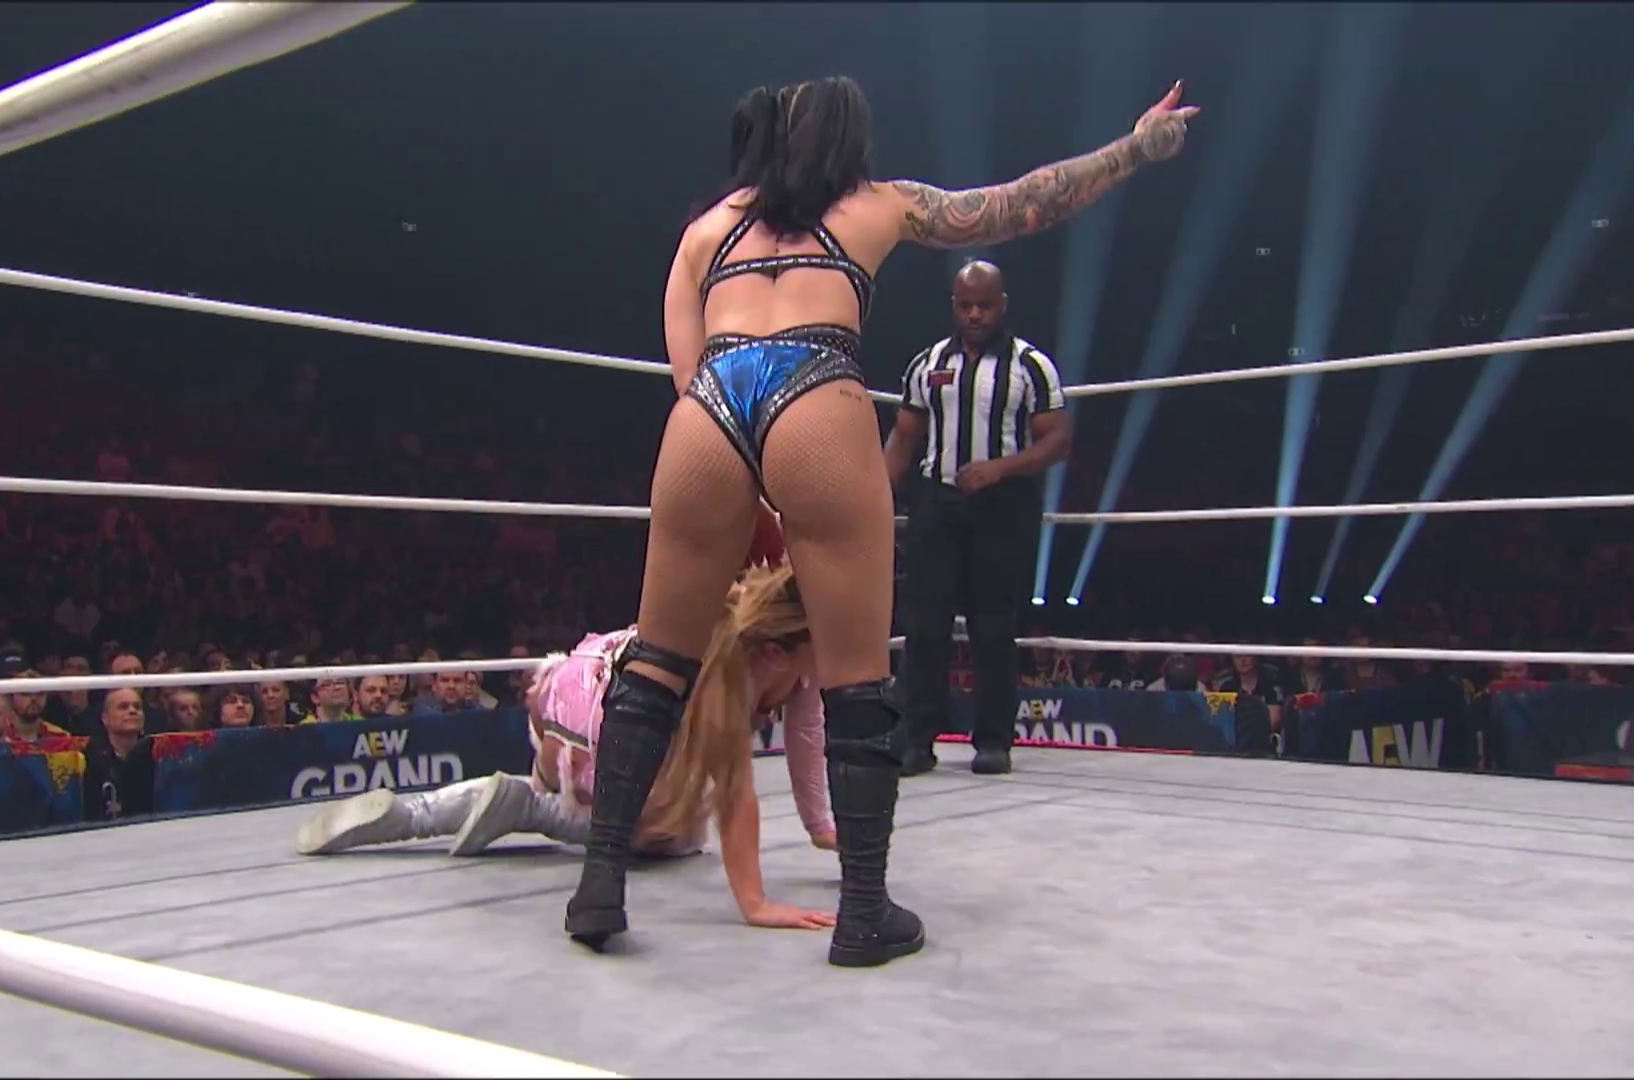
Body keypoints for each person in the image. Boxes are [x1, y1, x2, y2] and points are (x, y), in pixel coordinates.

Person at [567, 75, 1198, 966]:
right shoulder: (875, 204)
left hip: (709, 406)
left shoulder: (707, 230)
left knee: (659, 663)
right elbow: (1019, 204)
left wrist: (735, 460)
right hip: (814, 389)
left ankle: (599, 885)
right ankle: (864, 911)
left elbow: (685, 369)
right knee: (855, 674)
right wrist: (1136, 148)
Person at [295, 561, 839, 931]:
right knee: (678, 835)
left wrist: (821, 828)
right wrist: (756, 904)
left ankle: (418, 812)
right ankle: (534, 808)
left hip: (570, 689)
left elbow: (806, 730)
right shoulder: (730, 673)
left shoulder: (757, 630)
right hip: (603, 733)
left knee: (663, 797)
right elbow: (736, 793)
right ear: (778, 652)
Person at [887, 260, 1071, 778]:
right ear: (954, 305)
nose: (975, 314)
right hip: (936, 502)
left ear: (1002, 305)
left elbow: (1058, 440)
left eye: (984, 305)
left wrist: (1001, 468)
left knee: (993, 625)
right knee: (925, 624)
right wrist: (878, 498)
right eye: (966, 305)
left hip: (1003, 506)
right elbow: (905, 436)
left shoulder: (1030, 365)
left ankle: (993, 740)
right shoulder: (928, 363)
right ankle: (917, 739)